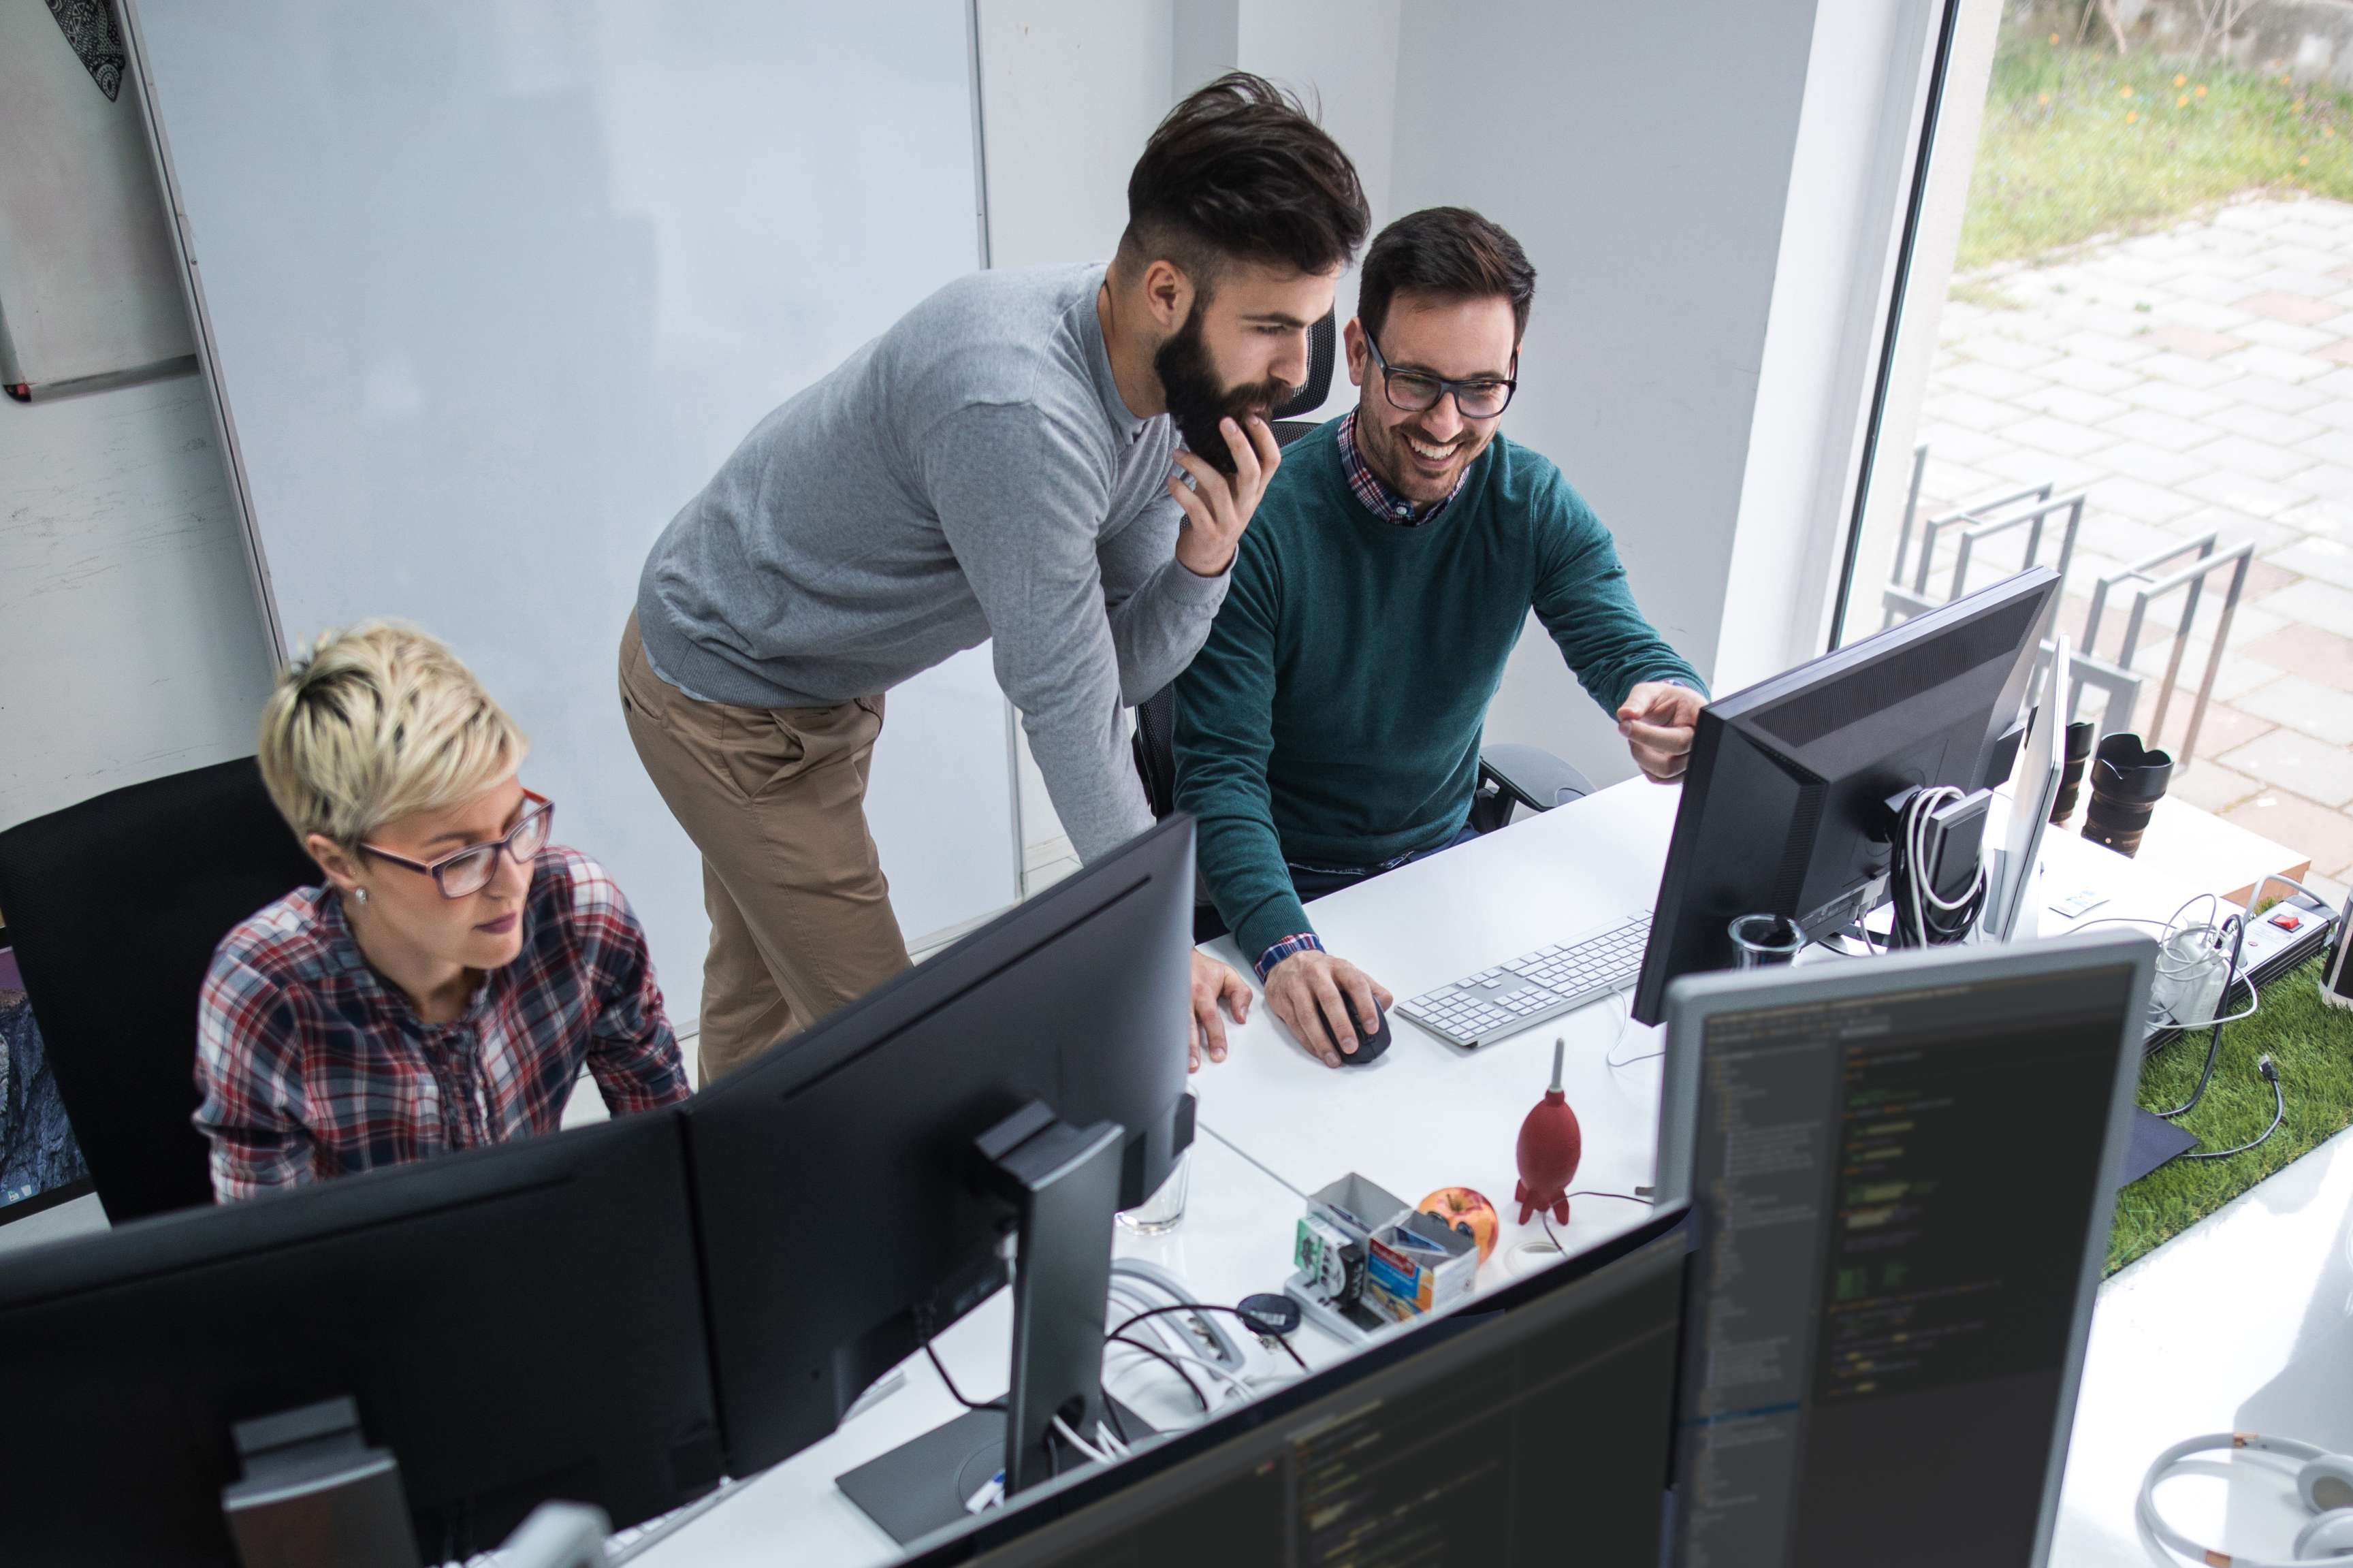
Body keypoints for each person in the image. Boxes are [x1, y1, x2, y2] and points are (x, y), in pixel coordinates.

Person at [624, 74, 1371, 1084]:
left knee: (761, 1004)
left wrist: (1206, 561)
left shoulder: (1165, 393)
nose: (1296, 370)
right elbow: (1069, 707)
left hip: (821, 678)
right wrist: (1155, 933)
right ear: (1166, 291)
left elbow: (1125, 668)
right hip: (728, 691)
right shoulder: (1020, 414)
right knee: (897, 1056)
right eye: (1274, 326)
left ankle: (728, 1208)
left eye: (1312, 325)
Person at [1172, 207, 1707, 1068]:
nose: (1447, 424)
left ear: (1513, 370)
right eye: (1414, 382)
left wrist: (1670, 699)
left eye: (1481, 389)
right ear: (1355, 354)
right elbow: (1220, 773)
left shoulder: (1528, 500)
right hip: (1288, 890)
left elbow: (1624, 645)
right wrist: (1284, 946)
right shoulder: (1263, 522)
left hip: (1442, 873)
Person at [195, 623, 689, 1201]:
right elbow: (273, 1264)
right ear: (342, 862)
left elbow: (671, 1154)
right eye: (460, 858)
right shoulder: (266, 992)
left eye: (516, 827)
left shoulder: (579, 910)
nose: (512, 884)